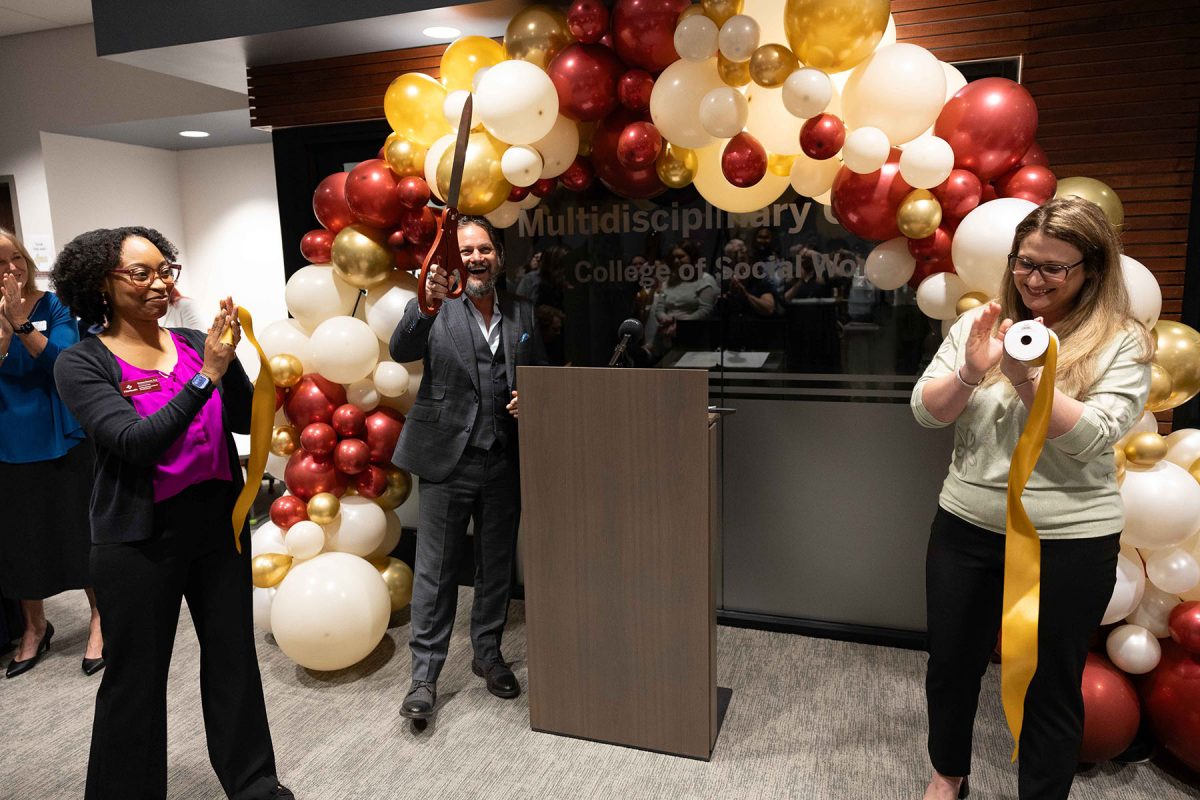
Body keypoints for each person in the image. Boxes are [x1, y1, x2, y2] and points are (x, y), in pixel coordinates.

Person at [910, 198, 1152, 800]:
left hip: (1068, 541)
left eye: (1054, 268)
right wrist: (971, 372)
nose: (1034, 280)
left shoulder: (1121, 339)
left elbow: (1094, 435)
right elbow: (925, 412)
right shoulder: (980, 324)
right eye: (1025, 263)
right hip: (967, 526)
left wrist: (1026, 379)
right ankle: (947, 775)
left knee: (1051, 682)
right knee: (951, 666)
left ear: (1092, 271)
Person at [52, 227, 292, 800]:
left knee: (234, 661)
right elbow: (135, 442)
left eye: (166, 269)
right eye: (142, 273)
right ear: (100, 285)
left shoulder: (188, 341)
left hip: (217, 525)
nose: (161, 282)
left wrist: (228, 361)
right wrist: (205, 374)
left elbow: (236, 416)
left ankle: (255, 784)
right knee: (135, 679)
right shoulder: (81, 363)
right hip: (137, 539)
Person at [389, 215, 547, 723]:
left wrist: (534, 398)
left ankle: (487, 654)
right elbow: (402, 349)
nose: (477, 258)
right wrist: (426, 302)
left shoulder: (522, 312)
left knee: (496, 564)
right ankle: (424, 678)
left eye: (484, 249)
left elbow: (538, 372)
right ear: (453, 260)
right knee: (435, 572)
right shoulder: (436, 307)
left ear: (499, 255)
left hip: (504, 459)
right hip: (445, 460)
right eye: (467, 251)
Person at [0, 228, 103, 678]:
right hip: (8, 440)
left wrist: (22, 323)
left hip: (61, 435)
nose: (11, 271)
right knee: (21, 541)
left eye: (15, 260)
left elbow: (63, 361)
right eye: (0, 264)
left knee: (79, 532)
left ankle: (102, 619)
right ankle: (34, 628)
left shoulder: (54, 305)